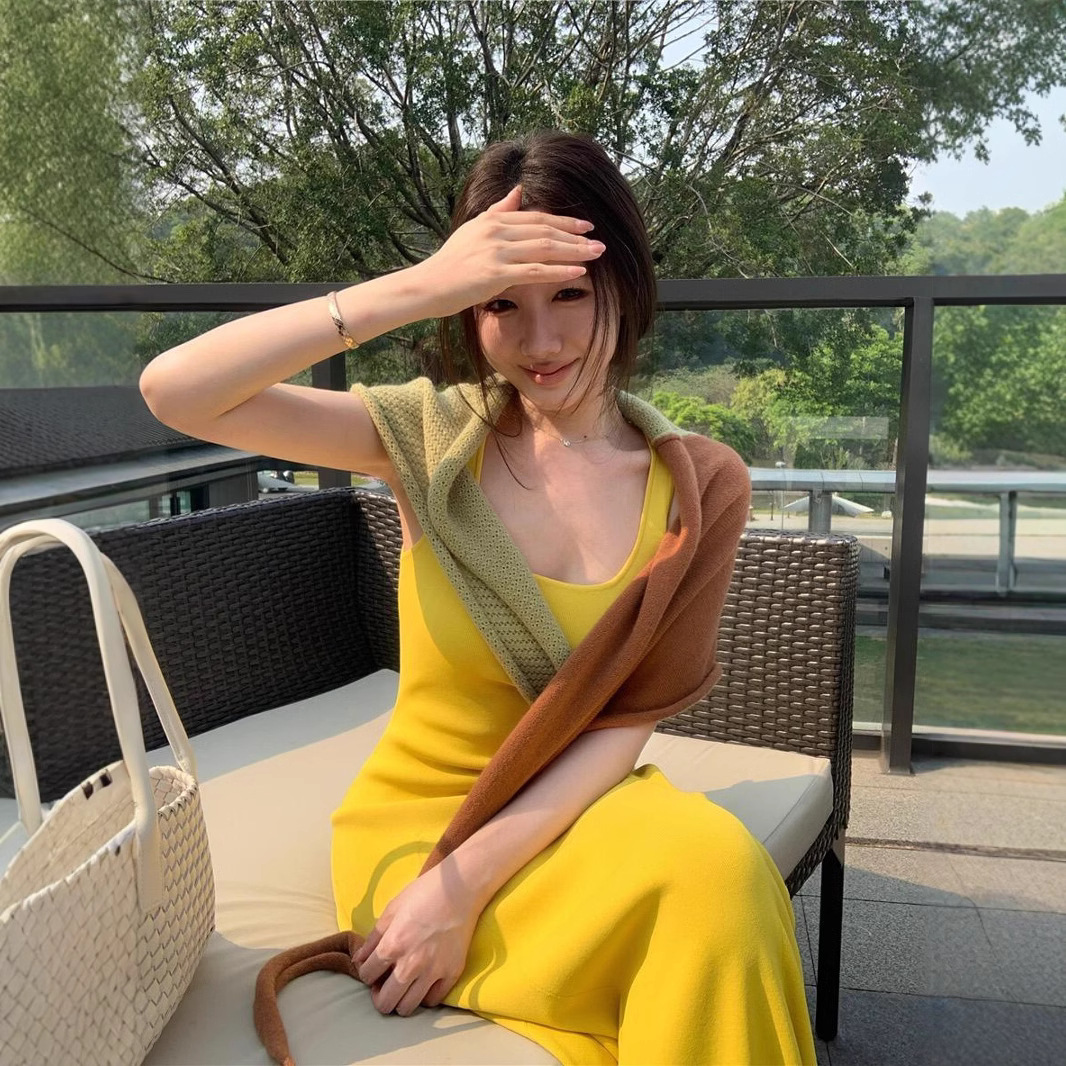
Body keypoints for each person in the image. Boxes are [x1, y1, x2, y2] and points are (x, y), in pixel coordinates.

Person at [140, 129, 816, 1066]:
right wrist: (421, 285)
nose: (540, 342)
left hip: (574, 817)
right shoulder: (429, 442)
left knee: (721, 873)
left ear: (624, 283)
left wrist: (466, 891)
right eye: (501, 303)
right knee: (708, 903)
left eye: (570, 293)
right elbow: (176, 392)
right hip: (422, 832)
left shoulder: (700, 487)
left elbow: (626, 722)